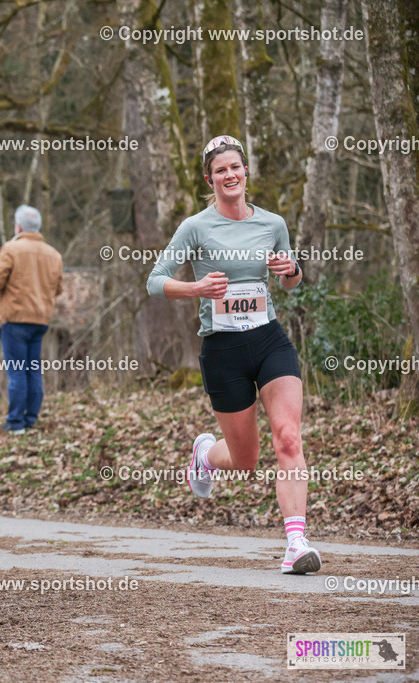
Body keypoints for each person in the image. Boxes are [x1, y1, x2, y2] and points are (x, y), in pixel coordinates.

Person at [146, 134, 321, 575]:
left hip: (268, 339)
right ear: (210, 178)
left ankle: (296, 543)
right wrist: (196, 288)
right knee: (245, 460)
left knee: (289, 437)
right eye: (220, 170)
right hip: (223, 348)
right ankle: (205, 455)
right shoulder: (196, 227)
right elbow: (155, 280)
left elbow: (290, 279)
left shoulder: (273, 223)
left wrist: (291, 271)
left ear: (247, 172)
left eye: (235, 168)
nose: (229, 175)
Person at [0, 205, 63, 434]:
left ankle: (15, 423)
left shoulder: (11, 248)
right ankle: (30, 418)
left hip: (16, 318)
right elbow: (58, 289)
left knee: (17, 371)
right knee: (33, 370)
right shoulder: (54, 254)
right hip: (41, 320)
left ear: (18, 226)